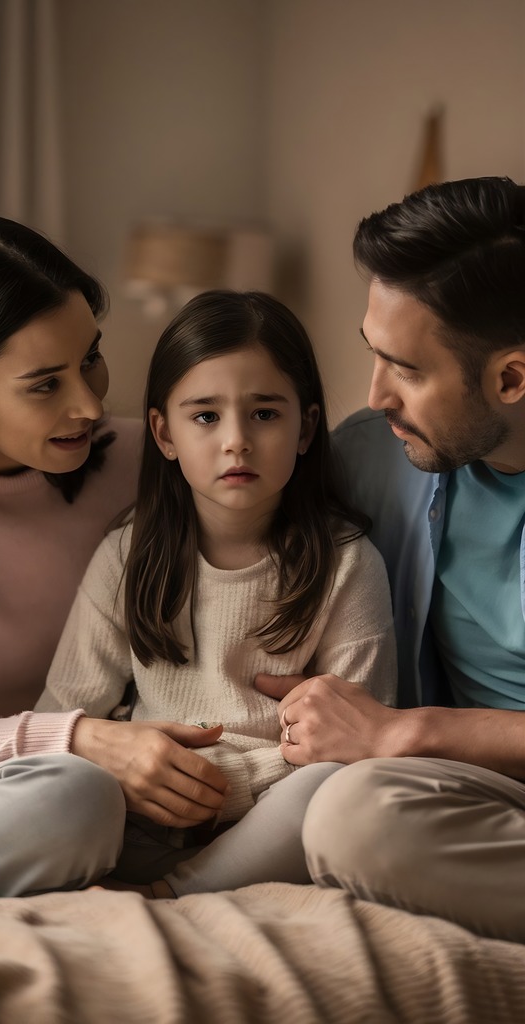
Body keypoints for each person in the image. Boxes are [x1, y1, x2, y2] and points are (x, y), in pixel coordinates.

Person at [36, 289, 397, 892]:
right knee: (67, 784)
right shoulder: (126, 556)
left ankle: (181, 893)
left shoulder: (347, 564)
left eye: (264, 413)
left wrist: (234, 777)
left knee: (334, 790)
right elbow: (63, 717)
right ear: (163, 432)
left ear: (306, 427)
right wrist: (132, 770)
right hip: (143, 810)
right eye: (205, 416)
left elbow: (354, 743)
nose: (236, 440)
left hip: (271, 822)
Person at [257, 176, 525, 943]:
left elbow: (398, 737)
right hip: (476, 800)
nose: (376, 394)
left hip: (444, 766)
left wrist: (401, 733)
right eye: (373, 357)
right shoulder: (374, 454)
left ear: (510, 377)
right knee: (353, 818)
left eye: (407, 369)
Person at [0, 214, 227, 897]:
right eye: (45, 384)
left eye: (92, 358)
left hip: (112, 786)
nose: (90, 403)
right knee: (75, 803)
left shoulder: (152, 458)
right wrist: (75, 740)